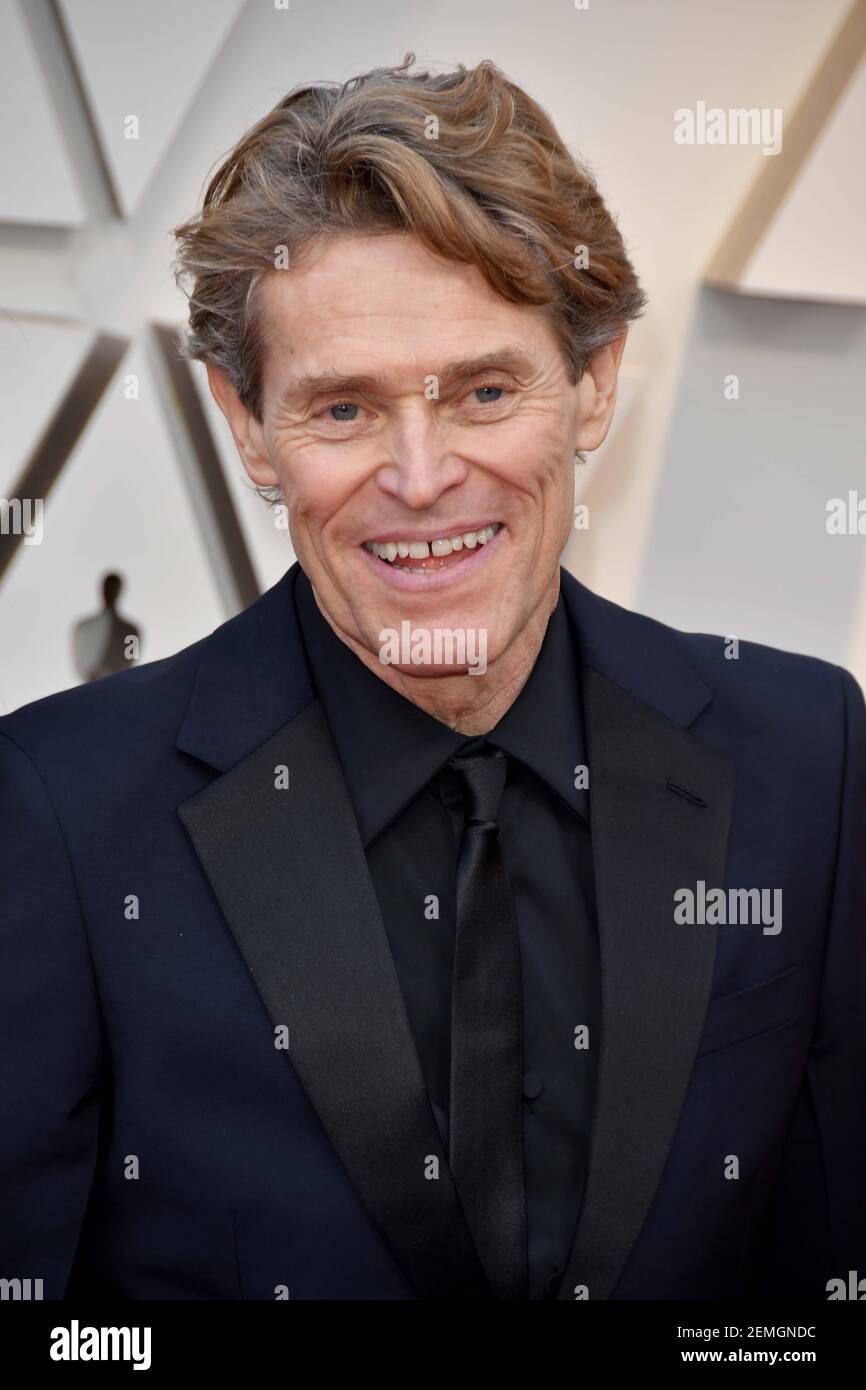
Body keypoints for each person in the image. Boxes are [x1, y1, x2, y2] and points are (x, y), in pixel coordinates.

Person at [1, 54, 863, 1302]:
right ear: (245, 424)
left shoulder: (803, 755)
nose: (419, 478)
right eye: (342, 411)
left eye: (484, 390)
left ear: (594, 383)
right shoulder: (60, 812)